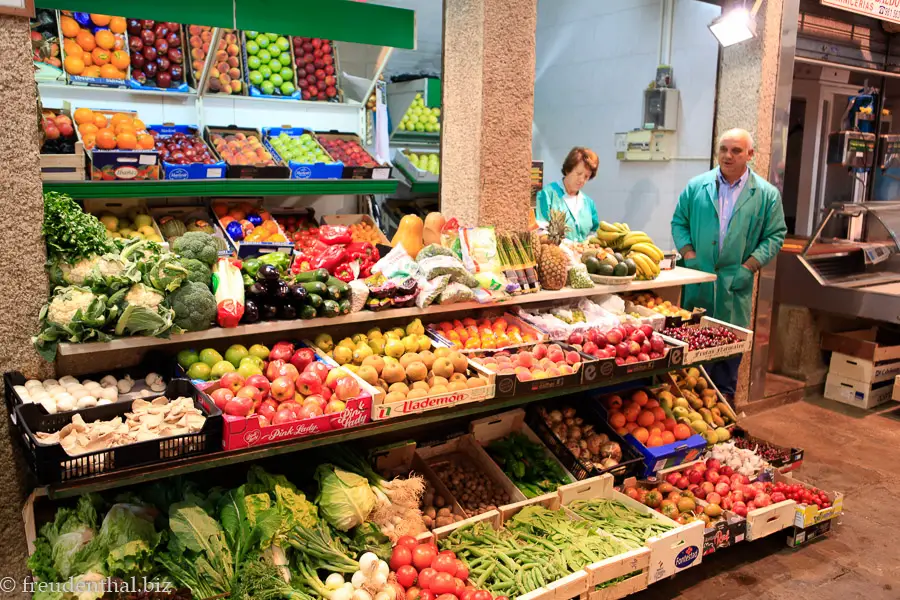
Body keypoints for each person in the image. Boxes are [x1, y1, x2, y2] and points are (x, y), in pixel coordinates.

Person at [671, 129, 786, 396]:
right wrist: (689, 255)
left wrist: (750, 266)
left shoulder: (766, 195)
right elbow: (679, 222)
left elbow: (776, 234)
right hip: (698, 284)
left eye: (736, 150)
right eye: (723, 149)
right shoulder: (696, 186)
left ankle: (725, 424)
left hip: (735, 288)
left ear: (750, 155)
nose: (728, 155)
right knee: (691, 371)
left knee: (725, 370)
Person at [536, 147, 600, 241]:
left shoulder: (588, 203)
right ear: (568, 170)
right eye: (578, 173)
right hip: (556, 254)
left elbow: (594, 232)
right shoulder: (547, 195)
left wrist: (587, 244)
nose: (582, 180)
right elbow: (539, 230)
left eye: (586, 176)